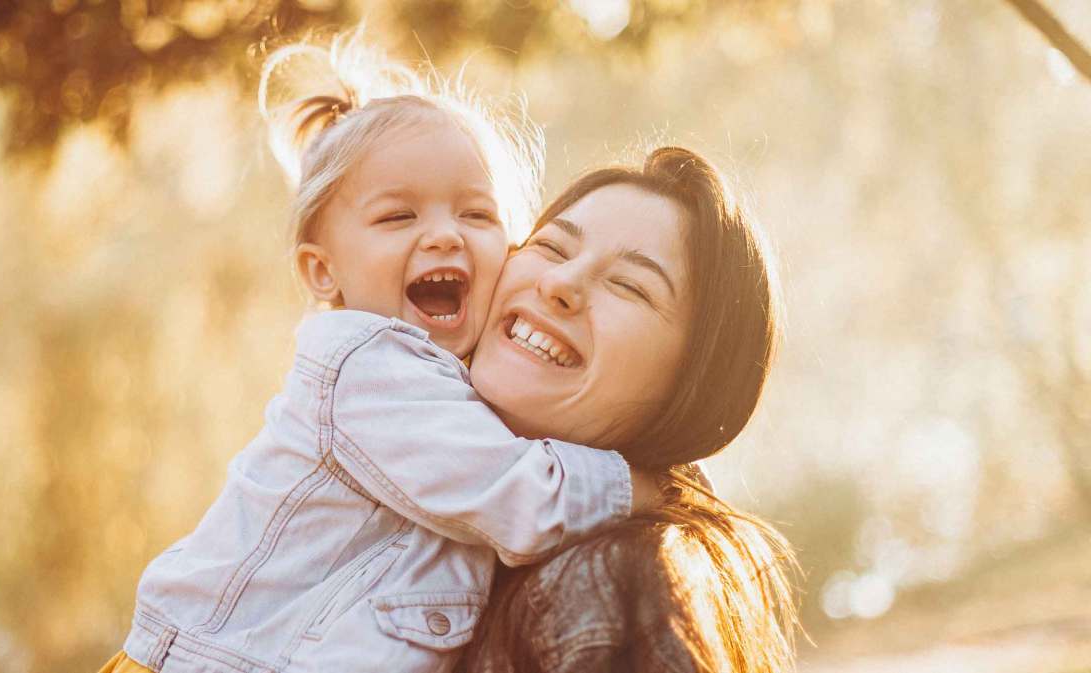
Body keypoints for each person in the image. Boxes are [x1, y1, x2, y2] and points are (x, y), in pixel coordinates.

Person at [97, 32, 659, 673]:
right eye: (398, 219)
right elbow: (514, 497)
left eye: (477, 215)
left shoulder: (452, 387)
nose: (445, 235)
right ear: (322, 273)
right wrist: (639, 488)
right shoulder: (364, 367)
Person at [456, 147, 799, 672]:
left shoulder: (612, 586)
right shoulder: (396, 490)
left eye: (629, 286)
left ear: (692, 380)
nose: (560, 284)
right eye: (551, 247)